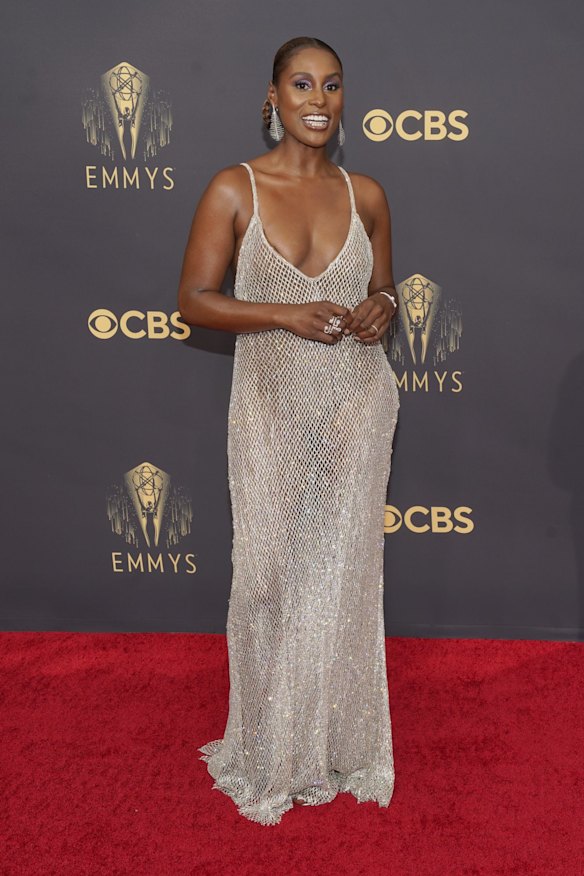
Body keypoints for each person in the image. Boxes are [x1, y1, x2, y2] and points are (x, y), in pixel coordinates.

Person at [177, 36, 400, 826]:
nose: (318, 98)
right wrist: (282, 314)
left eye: (333, 85)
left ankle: (336, 746)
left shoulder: (366, 193)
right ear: (272, 96)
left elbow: (384, 290)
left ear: (344, 100)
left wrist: (386, 307)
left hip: (356, 404)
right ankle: (270, 748)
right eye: (301, 83)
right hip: (270, 404)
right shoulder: (234, 189)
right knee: (269, 576)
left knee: (340, 580)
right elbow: (196, 300)